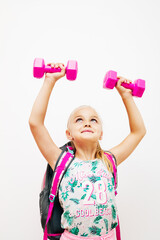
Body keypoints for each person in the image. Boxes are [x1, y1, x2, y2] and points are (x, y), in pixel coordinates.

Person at [29, 62, 146, 240]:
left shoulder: (108, 160)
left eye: (93, 120)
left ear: (101, 133)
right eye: (79, 120)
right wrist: (49, 81)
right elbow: (35, 123)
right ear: (69, 134)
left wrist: (126, 96)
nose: (87, 123)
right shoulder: (60, 160)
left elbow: (139, 131)